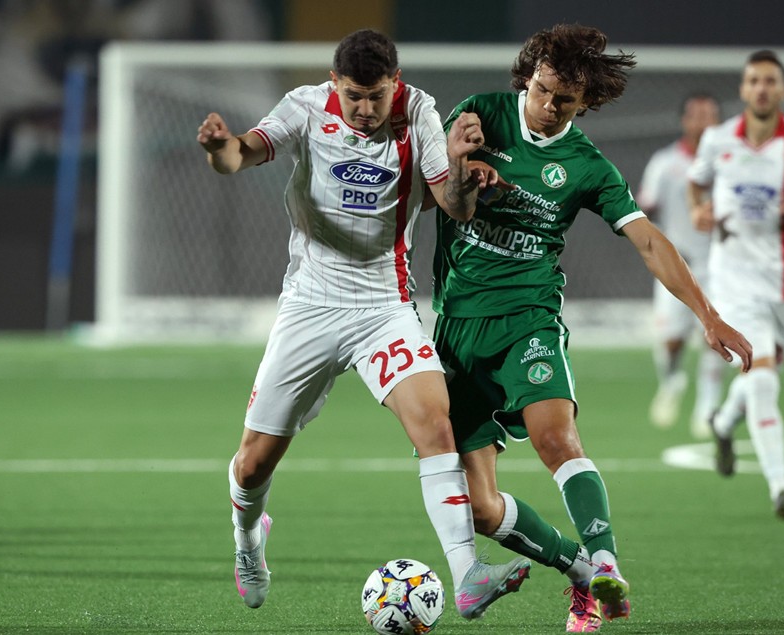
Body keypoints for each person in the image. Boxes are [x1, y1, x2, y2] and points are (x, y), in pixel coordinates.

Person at [196, 29, 530, 619]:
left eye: (377, 95)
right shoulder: (304, 108)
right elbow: (239, 156)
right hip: (310, 304)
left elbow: (454, 206)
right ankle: (248, 540)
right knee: (252, 464)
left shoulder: (418, 112)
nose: (367, 109)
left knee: (436, 424)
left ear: (394, 83)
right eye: (354, 95)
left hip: (383, 306)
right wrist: (219, 146)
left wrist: (458, 164)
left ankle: (467, 574)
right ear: (336, 84)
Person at [431, 24, 753, 633]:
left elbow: (648, 241)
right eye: (543, 91)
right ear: (528, 76)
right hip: (457, 328)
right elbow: (445, 203)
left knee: (556, 438)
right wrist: (460, 167)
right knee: (477, 508)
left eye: (566, 101)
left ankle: (606, 563)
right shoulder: (479, 115)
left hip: (529, 319)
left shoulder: (585, 164)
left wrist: (707, 316)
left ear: (586, 103)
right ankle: (580, 571)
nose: (550, 107)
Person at [688, 50, 784, 519]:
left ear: (783, 90)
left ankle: (723, 421)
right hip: (732, 277)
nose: (761, 88)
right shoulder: (717, 139)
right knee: (763, 376)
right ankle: (780, 486)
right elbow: (697, 184)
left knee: (763, 371)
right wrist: (698, 211)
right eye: (754, 80)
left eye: (770, 81)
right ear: (743, 88)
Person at [638, 93, 726, 438]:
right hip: (677, 265)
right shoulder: (665, 162)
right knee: (670, 339)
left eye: (710, 115)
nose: (703, 122)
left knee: (714, 334)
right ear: (684, 120)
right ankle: (672, 380)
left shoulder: (730, 162)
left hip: (720, 266)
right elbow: (644, 208)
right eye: (696, 115)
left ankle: (708, 405)